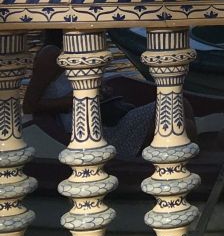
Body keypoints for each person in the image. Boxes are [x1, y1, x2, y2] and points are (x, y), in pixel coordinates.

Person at [23, 30, 174, 161]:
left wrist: (101, 91)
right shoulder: (51, 54)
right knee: (171, 110)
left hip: (103, 123)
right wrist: (71, 101)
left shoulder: (81, 50)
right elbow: (29, 105)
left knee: (178, 108)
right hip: (84, 134)